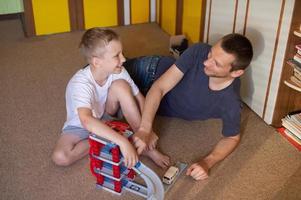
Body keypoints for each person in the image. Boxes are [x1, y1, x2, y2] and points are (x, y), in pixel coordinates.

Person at [126, 33, 253, 180]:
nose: (206, 62)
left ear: (236, 72)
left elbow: (232, 138)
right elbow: (159, 88)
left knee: (114, 99)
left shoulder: (231, 103)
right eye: (210, 54)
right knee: (104, 71)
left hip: (152, 103)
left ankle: (177, 46)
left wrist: (207, 162)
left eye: (216, 64)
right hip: (151, 71)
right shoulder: (199, 51)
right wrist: (145, 129)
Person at [51, 28, 169, 169]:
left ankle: (143, 143)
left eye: (122, 53)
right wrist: (123, 142)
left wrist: (146, 129)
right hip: (81, 125)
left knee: (121, 86)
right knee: (60, 157)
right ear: (97, 62)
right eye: (117, 55)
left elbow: (140, 98)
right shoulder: (79, 83)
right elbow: (87, 120)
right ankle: (121, 138)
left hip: (106, 115)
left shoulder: (119, 71)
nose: (124, 59)